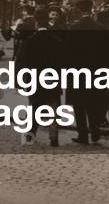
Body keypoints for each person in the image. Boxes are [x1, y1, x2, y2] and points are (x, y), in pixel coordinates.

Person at [16, 8, 65, 146]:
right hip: (53, 79)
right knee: (53, 107)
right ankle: (54, 138)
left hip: (35, 80)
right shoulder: (57, 40)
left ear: (36, 23)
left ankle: (30, 135)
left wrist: (21, 81)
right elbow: (62, 62)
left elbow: (22, 63)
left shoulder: (29, 41)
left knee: (33, 108)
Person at [66, 0, 108, 144]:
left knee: (79, 105)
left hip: (78, 73)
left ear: (79, 11)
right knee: (93, 103)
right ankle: (95, 131)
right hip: (96, 73)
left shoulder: (74, 28)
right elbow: (106, 53)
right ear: (91, 10)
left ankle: (83, 134)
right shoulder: (101, 28)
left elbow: (69, 53)